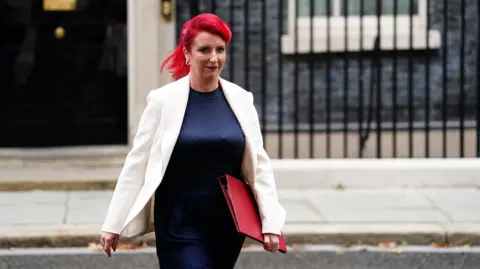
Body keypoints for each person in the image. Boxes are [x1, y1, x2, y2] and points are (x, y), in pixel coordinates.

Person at [99, 13, 286, 268]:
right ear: (187, 53)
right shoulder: (163, 101)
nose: (214, 58)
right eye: (204, 50)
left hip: (227, 225)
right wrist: (113, 223)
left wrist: (270, 223)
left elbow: (259, 167)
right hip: (179, 223)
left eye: (220, 50)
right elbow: (137, 163)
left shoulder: (241, 100)